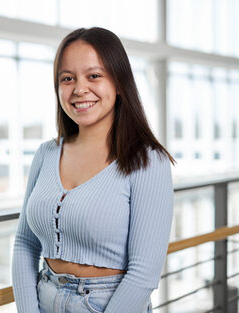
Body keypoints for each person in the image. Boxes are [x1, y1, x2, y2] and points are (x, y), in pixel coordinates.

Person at [12, 27, 174, 313]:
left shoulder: (148, 161)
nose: (79, 89)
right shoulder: (45, 154)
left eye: (94, 76)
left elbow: (144, 273)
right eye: (67, 78)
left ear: (120, 83)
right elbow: (25, 243)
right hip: (43, 297)